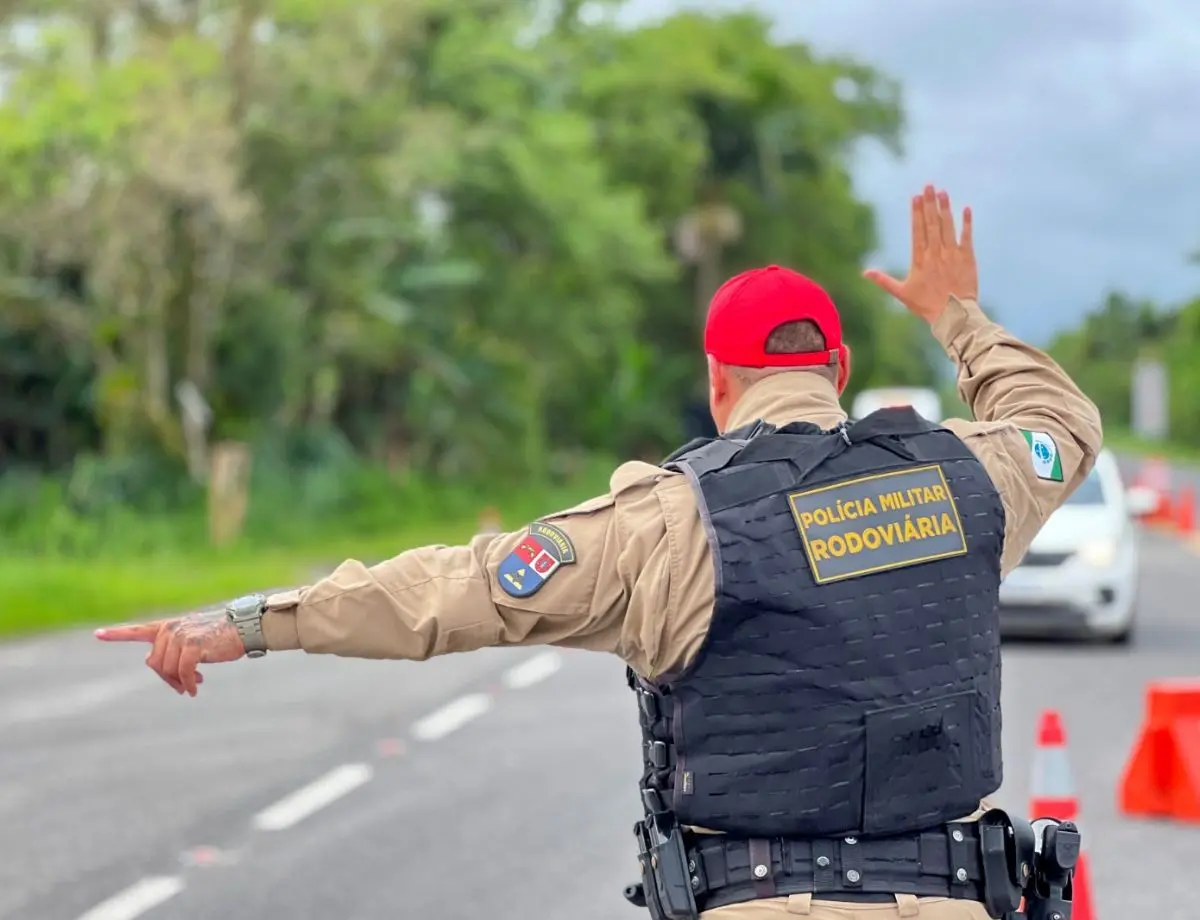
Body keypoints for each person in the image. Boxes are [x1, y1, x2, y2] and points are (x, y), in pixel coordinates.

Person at [96, 185, 1102, 919]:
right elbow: (1060, 417)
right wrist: (955, 317)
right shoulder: (969, 482)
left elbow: (447, 591)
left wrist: (246, 623)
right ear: (836, 369)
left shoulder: (666, 525)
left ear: (718, 383)